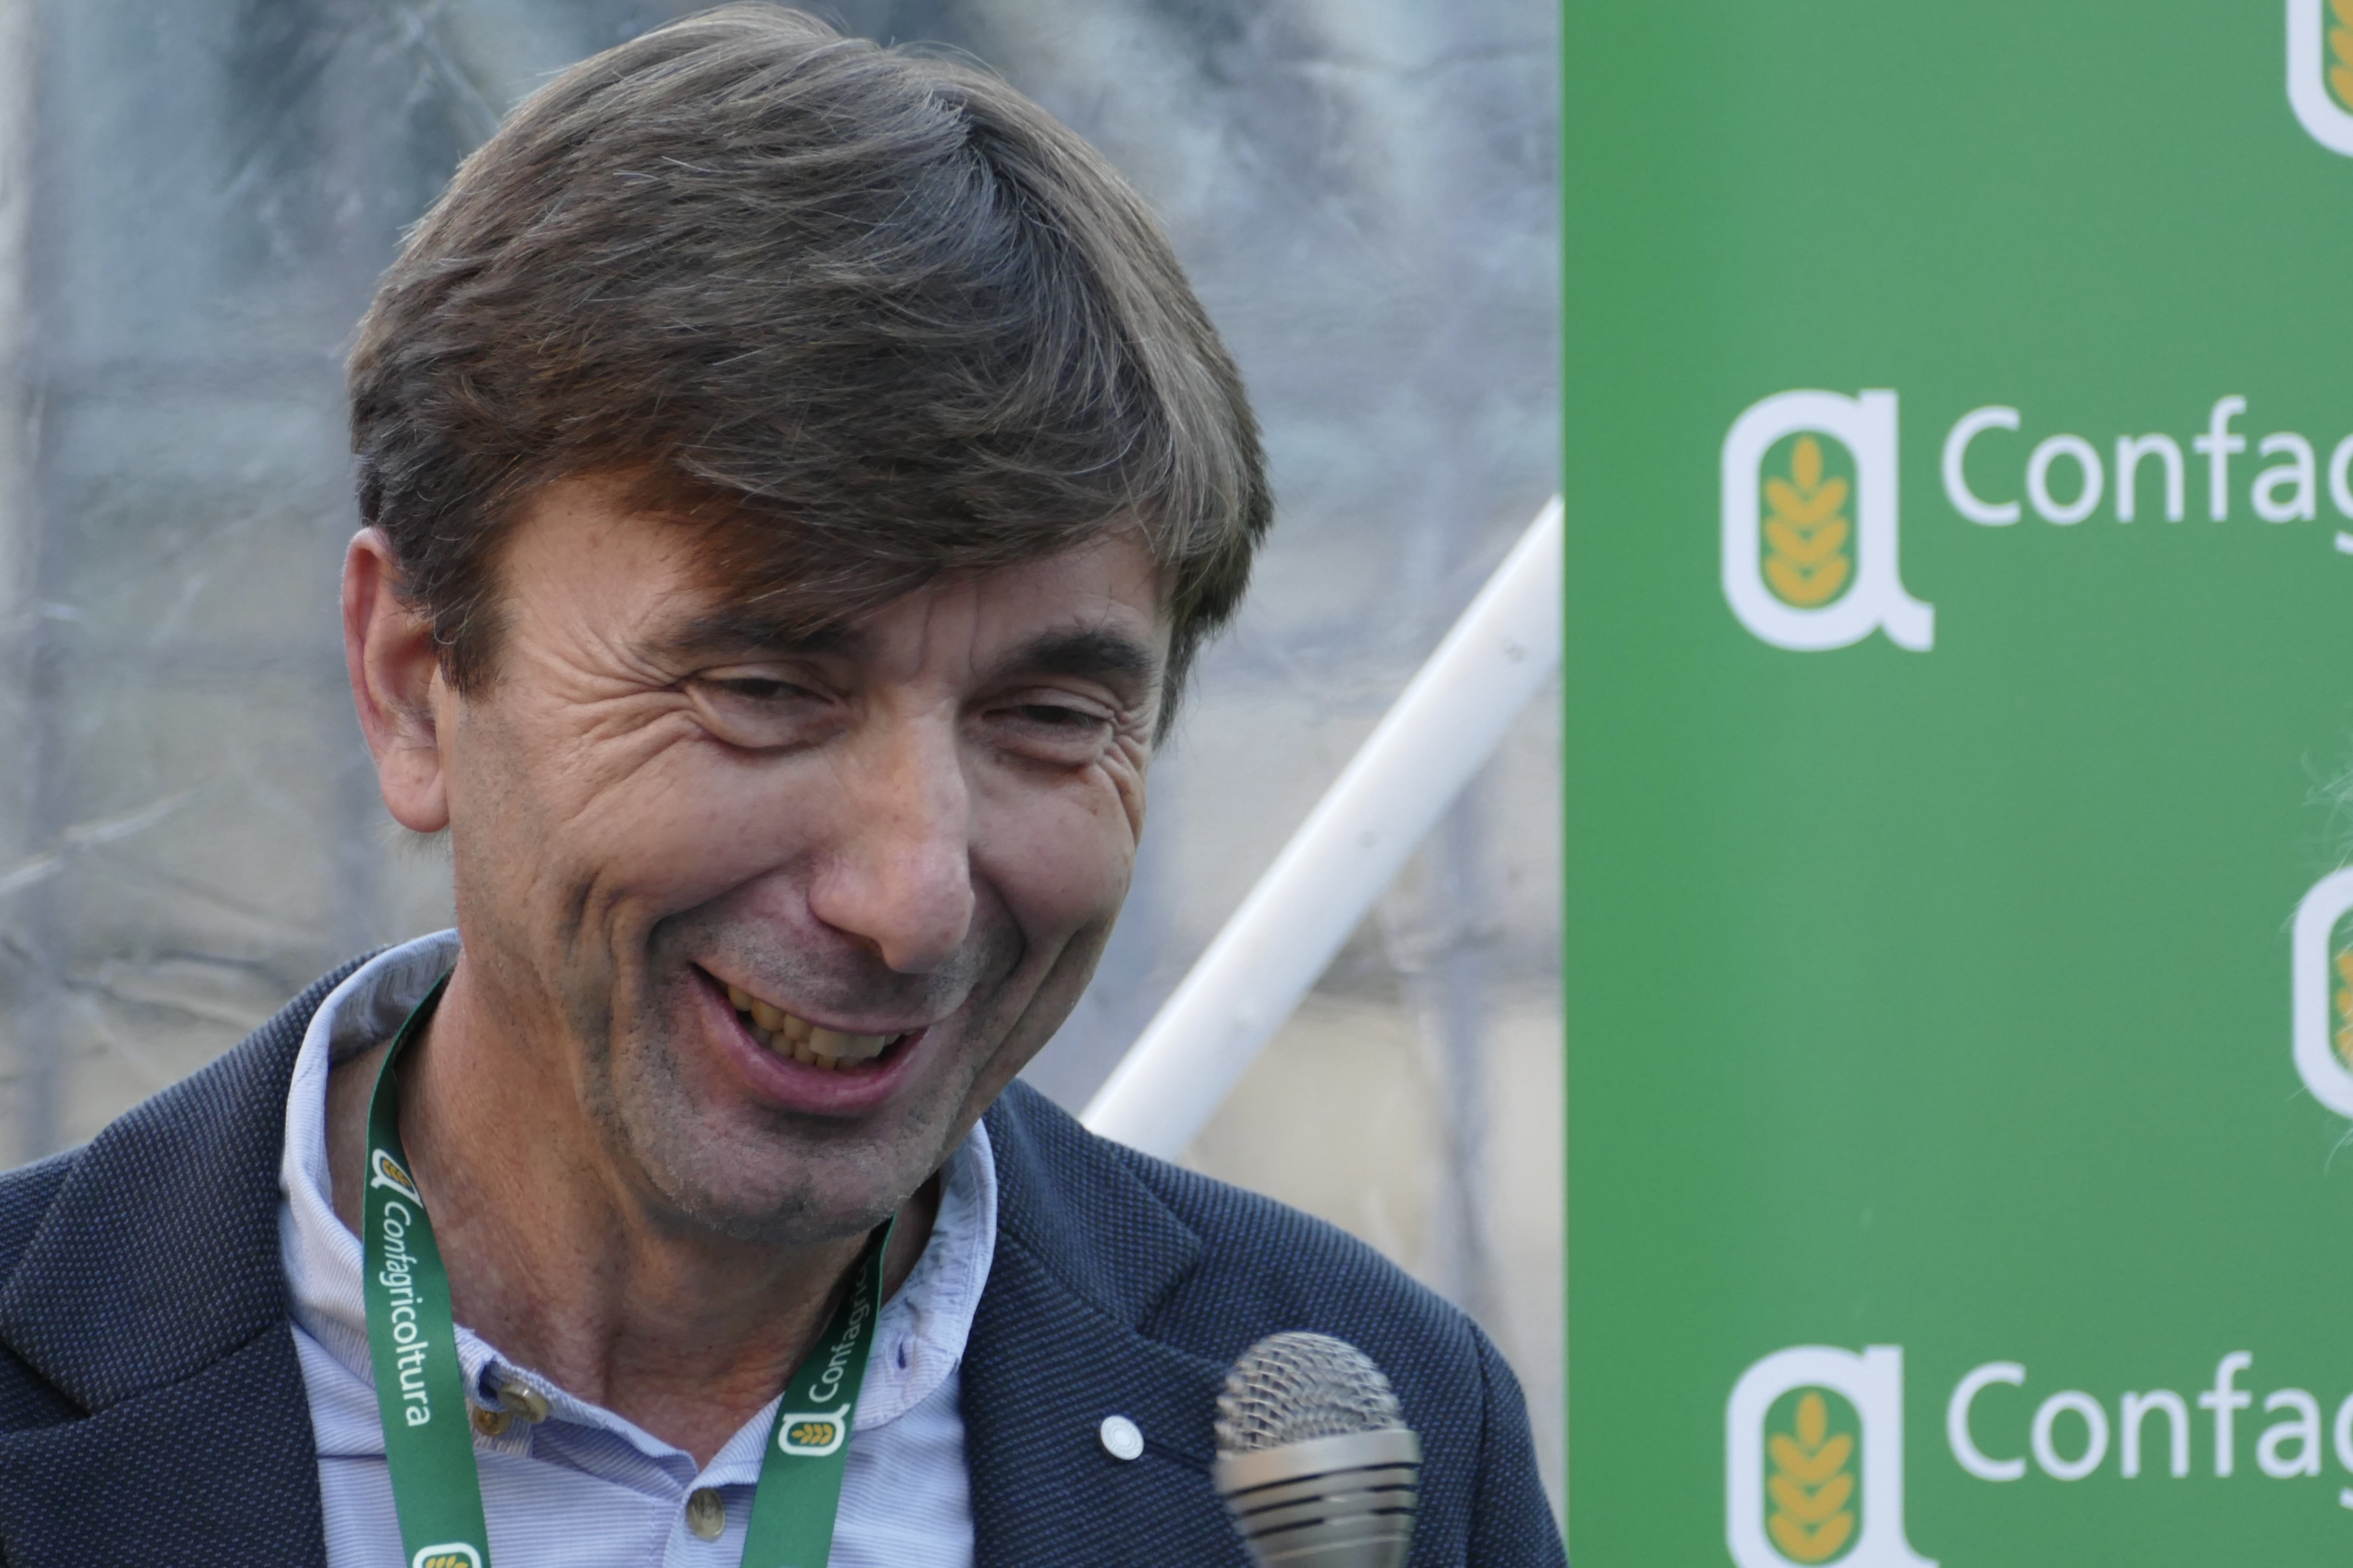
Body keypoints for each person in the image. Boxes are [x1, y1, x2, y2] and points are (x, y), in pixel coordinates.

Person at [0, 8, 1564, 1564]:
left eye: (1046, 716)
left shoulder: (1376, 1443)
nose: (914, 897)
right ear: (416, 679)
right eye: (764, 692)